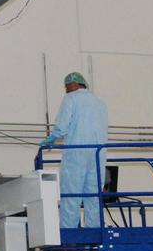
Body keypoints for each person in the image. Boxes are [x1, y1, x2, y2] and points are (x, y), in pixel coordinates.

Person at [41, 72, 109, 229]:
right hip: (98, 154)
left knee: (71, 194)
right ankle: (95, 232)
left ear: (75, 84)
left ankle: (69, 233)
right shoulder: (100, 103)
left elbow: (63, 125)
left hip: (76, 152)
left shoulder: (71, 98)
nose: (65, 90)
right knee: (93, 195)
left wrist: (53, 137)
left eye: (66, 86)